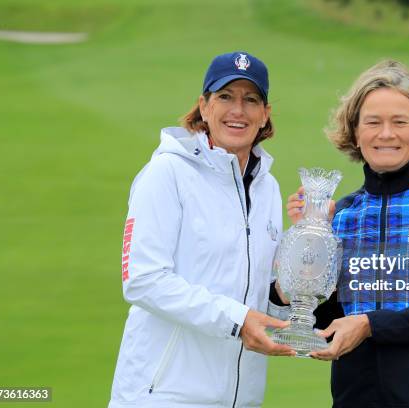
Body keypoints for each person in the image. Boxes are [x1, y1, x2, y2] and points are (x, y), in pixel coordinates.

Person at [285, 60, 409, 407]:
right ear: (355, 131)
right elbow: (328, 318)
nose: (386, 134)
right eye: (373, 122)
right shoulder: (342, 215)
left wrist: (369, 324)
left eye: (400, 122)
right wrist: (308, 246)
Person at [109, 51, 294, 408]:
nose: (238, 110)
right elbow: (144, 280)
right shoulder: (167, 174)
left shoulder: (266, 187)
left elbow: (256, 293)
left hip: (242, 398)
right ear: (204, 106)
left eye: (250, 99)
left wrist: (286, 296)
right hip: (163, 395)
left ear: (265, 114)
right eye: (225, 97)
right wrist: (238, 321)